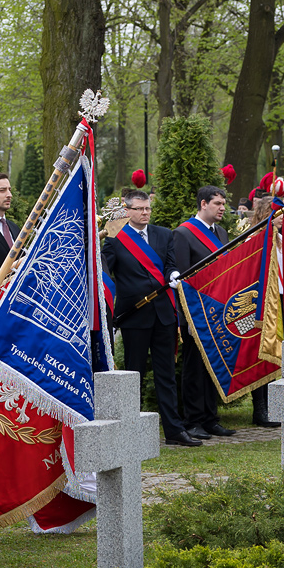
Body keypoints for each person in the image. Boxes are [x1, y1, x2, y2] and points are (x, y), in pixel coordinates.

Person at [103, 188, 196, 446]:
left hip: (164, 314)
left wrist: (173, 275)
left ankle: (174, 431)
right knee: (134, 374)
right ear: (127, 211)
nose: (145, 213)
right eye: (139, 209)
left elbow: (170, 264)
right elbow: (106, 273)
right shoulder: (114, 238)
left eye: (147, 209)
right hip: (135, 315)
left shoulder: (163, 234)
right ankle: (130, 429)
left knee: (165, 374)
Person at [169, 186, 237, 438]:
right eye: (218, 203)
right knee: (194, 367)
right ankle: (193, 419)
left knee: (214, 366)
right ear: (203, 204)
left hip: (218, 311)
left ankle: (211, 418)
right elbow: (183, 281)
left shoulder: (221, 232)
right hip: (196, 313)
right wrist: (186, 318)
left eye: (224, 203)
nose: (222, 208)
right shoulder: (183, 234)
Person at [247, 194, 281, 428]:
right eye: (278, 214)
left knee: (275, 354)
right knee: (259, 354)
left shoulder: (280, 238)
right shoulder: (255, 237)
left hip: (278, 300)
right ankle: (259, 408)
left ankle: (271, 404)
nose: (282, 219)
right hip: (260, 304)